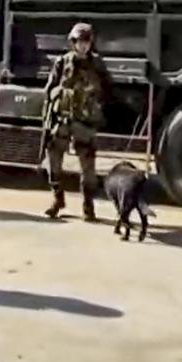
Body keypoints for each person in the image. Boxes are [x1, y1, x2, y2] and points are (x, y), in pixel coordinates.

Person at [42, 22, 114, 221]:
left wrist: (96, 106)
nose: (83, 46)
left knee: (88, 168)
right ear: (72, 42)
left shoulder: (97, 64)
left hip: (85, 122)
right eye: (79, 42)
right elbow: (49, 90)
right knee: (54, 163)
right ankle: (57, 199)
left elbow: (108, 90)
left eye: (86, 42)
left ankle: (88, 205)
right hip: (63, 120)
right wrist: (50, 116)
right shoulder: (62, 62)